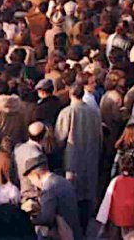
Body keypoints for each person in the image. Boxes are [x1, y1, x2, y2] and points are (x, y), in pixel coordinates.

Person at [54, 82, 102, 230]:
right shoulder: (94, 112)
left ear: (70, 94)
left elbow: (59, 137)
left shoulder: (67, 112)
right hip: (91, 156)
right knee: (88, 193)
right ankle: (85, 225)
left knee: (73, 192)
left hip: (72, 158)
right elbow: (100, 136)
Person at [20, 153, 83, 240]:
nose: (32, 183)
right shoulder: (62, 181)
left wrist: (28, 219)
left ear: (36, 175)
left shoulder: (48, 188)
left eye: (31, 179)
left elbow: (46, 218)